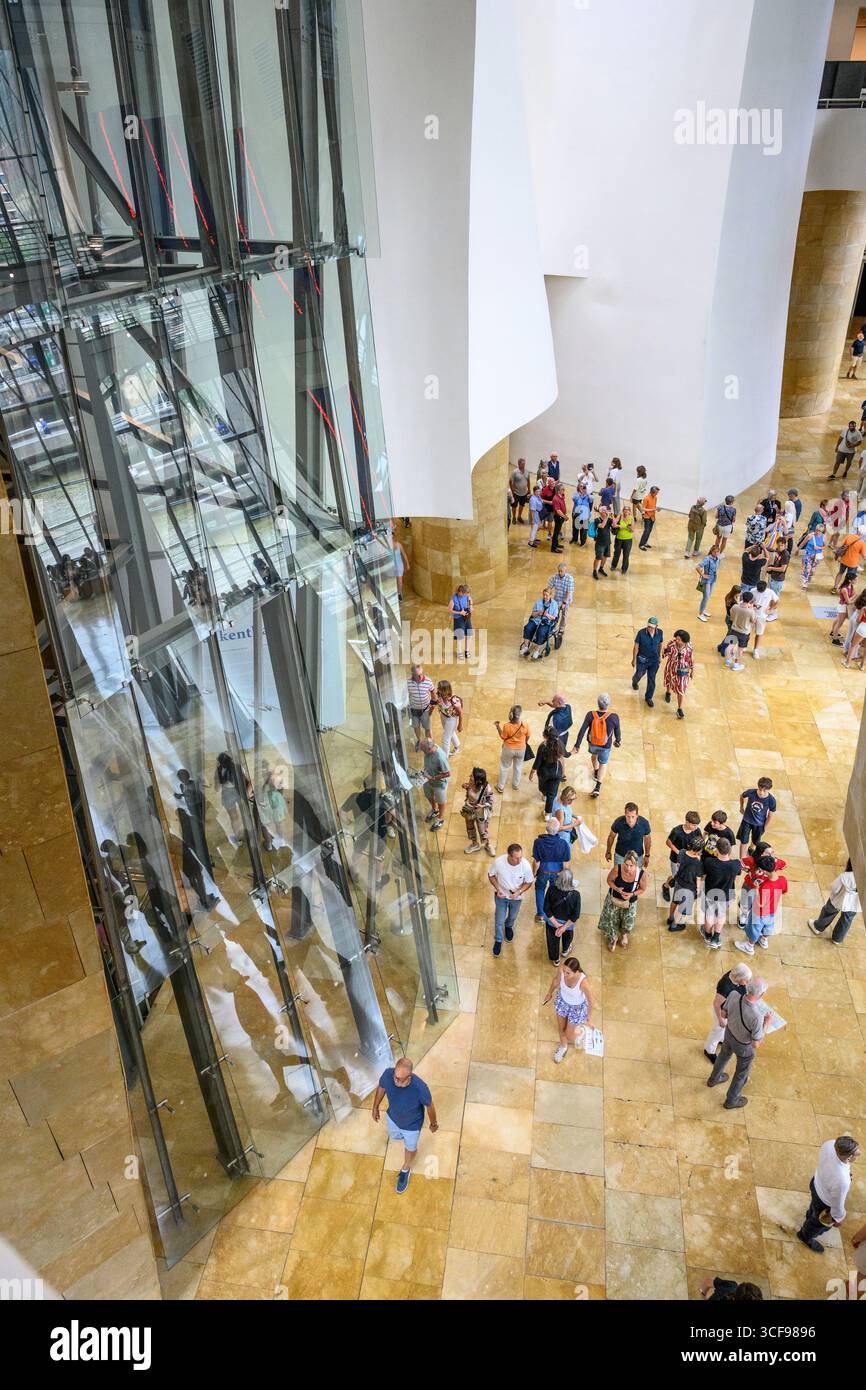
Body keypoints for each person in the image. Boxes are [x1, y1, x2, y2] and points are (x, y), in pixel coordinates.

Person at [706, 975, 772, 1109]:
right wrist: (767, 1024)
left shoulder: (733, 995)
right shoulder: (757, 1017)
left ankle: (713, 1079)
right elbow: (755, 1044)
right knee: (741, 1073)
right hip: (744, 1047)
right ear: (762, 994)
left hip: (729, 1035)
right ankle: (732, 1100)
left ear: (748, 986)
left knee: (723, 1056)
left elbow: (724, 1015)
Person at [372, 1058, 438, 1193]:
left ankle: (405, 1169)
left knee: (410, 1147)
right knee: (395, 1136)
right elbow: (381, 1087)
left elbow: (429, 1106)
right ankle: (406, 1141)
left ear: (410, 1076)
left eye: (401, 1079)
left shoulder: (420, 1088)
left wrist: (433, 1123)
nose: (396, 1081)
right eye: (395, 1077)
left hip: (412, 1125)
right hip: (393, 1118)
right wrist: (375, 1107)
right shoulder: (387, 1074)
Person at [797, 1135, 861, 1253]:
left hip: (816, 1183)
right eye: (856, 1153)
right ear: (849, 1157)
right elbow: (837, 1204)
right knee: (818, 1224)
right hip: (824, 1201)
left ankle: (810, 1216)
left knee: (813, 1209)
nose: (859, 1154)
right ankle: (804, 1236)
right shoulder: (842, 1181)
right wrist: (838, 1218)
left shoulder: (830, 1144)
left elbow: (831, 1166)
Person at [544, 956, 594, 1063]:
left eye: (568, 973)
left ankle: (581, 1032)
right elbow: (556, 981)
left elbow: (591, 1001)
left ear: (576, 972)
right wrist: (549, 993)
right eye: (564, 971)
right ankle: (563, 1047)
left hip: (577, 1008)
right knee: (561, 1028)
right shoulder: (562, 970)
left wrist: (589, 1017)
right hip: (563, 1002)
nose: (565, 975)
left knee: (569, 1036)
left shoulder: (583, 982)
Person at [734, 853, 787, 954]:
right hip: (772, 910)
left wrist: (758, 889)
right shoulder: (782, 880)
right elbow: (783, 891)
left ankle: (749, 946)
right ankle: (764, 940)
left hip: (759, 912)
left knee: (754, 928)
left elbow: (760, 903)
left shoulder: (765, 886)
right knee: (768, 926)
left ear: (765, 871)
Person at [488, 843, 534, 957]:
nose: (519, 860)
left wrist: (519, 892)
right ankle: (498, 940)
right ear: (509, 856)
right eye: (516, 858)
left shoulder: (525, 865)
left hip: (516, 898)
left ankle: (508, 927)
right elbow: (491, 875)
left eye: (521, 857)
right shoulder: (499, 862)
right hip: (501, 896)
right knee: (499, 919)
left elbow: (529, 881)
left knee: (513, 916)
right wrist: (498, 888)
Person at [598, 850, 647, 951]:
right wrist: (617, 889)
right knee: (611, 919)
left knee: (627, 921)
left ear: (636, 864)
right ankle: (613, 938)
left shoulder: (641, 874)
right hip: (614, 898)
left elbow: (642, 889)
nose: (628, 868)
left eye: (631, 865)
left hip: (630, 902)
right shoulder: (617, 869)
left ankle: (623, 934)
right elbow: (609, 880)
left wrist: (632, 894)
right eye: (626, 864)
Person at [574, 694, 621, 797]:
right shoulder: (614, 717)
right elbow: (617, 731)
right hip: (605, 746)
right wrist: (618, 741)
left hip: (593, 743)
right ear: (608, 704)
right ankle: (597, 787)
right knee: (603, 763)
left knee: (594, 756)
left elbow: (582, 730)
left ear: (598, 703)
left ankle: (596, 772)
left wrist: (577, 745)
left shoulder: (590, 715)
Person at [704, 962, 752, 1060]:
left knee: (723, 1030)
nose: (747, 982)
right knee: (717, 1030)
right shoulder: (725, 987)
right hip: (722, 1013)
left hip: (730, 1011)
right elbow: (716, 1004)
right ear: (738, 977)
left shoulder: (736, 977)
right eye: (746, 980)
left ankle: (721, 1039)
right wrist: (720, 1020)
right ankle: (709, 1050)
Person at [701, 838, 741, 950]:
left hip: (711, 894)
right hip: (727, 896)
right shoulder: (736, 864)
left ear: (716, 849)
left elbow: (703, 874)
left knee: (709, 915)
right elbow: (738, 873)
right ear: (729, 850)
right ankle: (716, 938)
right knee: (721, 915)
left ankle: (707, 935)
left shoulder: (709, 862)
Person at [808, 860, 861, 944]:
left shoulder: (846, 876)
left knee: (828, 912)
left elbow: (834, 888)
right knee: (847, 920)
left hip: (838, 900)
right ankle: (837, 939)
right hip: (854, 905)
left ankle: (817, 927)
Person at [532, 818, 572, 920]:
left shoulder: (538, 842)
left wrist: (534, 873)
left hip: (543, 872)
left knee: (540, 890)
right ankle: (552, 914)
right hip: (558, 873)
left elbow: (536, 862)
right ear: (558, 829)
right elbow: (566, 864)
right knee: (555, 892)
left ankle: (540, 915)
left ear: (546, 828)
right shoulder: (563, 844)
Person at [666, 831, 704, 933]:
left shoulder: (682, 852)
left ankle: (670, 918)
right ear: (699, 850)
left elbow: (678, 864)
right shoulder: (697, 863)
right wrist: (699, 890)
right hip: (689, 888)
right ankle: (674, 925)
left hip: (679, 881)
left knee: (674, 901)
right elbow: (698, 878)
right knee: (682, 908)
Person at [541, 868, 581, 963]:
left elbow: (546, 908)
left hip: (552, 922)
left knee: (552, 941)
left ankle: (556, 959)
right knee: (567, 938)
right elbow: (575, 915)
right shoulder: (576, 895)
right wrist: (563, 928)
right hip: (568, 924)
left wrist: (556, 924)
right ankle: (565, 951)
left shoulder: (551, 889)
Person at [662, 810, 703, 901]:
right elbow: (668, 842)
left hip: (689, 859)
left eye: (697, 825)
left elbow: (699, 843)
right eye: (694, 825)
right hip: (676, 859)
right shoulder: (677, 831)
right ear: (687, 822)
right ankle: (666, 886)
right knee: (675, 876)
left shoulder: (696, 831)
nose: (696, 827)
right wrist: (679, 853)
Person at [529, 727, 568, 814]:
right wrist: (572, 752)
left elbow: (537, 761)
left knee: (542, 788)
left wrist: (532, 772)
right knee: (552, 794)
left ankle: (544, 794)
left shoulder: (543, 746)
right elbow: (566, 755)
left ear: (545, 736)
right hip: (557, 773)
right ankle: (547, 814)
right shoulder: (560, 743)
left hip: (544, 773)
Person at [494, 705, 530, 793]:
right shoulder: (525, 725)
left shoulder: (507, 726)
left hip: (508, 749)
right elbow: (528, 736)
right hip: (521, 749)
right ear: (520, 714)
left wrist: (498, 726)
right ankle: (515, 785)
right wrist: (524, 743)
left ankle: (501, 787)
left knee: (504, 766)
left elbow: (503, 736)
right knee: (518, 767)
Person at [460, 766, 495, 856]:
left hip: (481, 813)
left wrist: (483, 805)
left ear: (478, 780)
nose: (469, 777)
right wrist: (466, 787)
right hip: (469, 810)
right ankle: (475, 844)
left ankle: (487, 844)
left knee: (483, 830)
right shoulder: (470, 784)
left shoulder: (486, 788)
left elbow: (491, 801)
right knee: (470, 828)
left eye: (472, 776)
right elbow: (468, 791)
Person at [606, 802, 652, 868]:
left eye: (633, 817)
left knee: (636, 876)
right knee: (618, 874)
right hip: (620, 855)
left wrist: (647, 855)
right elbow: (611, 837)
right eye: (628, 817)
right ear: (625, 815)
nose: (630, 820)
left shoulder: (644, 823)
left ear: (637, 815)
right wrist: (608, 851)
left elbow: (647, 839)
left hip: (637, 856)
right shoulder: (618, 822)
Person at [718, 589, 755, 670]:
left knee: (730, 646)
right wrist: (751, 609)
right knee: (740, 649)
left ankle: (728, 661)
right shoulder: (751, 611)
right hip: (744, 632)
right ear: (750, 600)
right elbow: (753, 621)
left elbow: (731, 617)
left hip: (733, 629)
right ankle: (736, 665)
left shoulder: (735, 606)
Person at [419, 735, 450, 831]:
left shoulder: (440, 757)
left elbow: (447, 773)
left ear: (429, 749)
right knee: (428, 794)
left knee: (441, 801)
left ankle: (440, 818)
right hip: (428, 779)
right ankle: (434, 810)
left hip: (439, 783)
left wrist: (433, 777)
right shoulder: (428, 750)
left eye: (423, 750)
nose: (422, 751)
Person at [662, 629, 694, 719]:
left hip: (683, 671)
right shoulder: (672, 644)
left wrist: (692, 671)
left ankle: (680, 708)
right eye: (676, 638)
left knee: (681, 688)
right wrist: (663, 651)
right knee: (668, 680)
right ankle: (668, 692)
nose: (677, 641)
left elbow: (691, 659)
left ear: (684, 640)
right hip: (671, 668)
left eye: (679, 639)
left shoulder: (689, 647)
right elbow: (665, 654)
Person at [631, 617, 664, 706]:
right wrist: (634, 659)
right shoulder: (641, 633)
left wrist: (660, 655)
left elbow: (660, 644)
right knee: (639, 674)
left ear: (656, 626)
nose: (650, 628)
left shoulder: (660, 633)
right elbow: (636, 646)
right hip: (642, 659)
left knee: (652, 679)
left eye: (652, 627)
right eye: (649, 626)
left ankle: (648, 697)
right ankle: (634, 681)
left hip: (654, 660)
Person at [520, 586, 559, 659]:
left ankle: (537, 651)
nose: (544, 597)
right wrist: (539, 613)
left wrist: (546, 614)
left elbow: (555, 618)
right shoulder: (538, 602)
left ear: (550, 595)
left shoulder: (554, 604)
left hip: (547, 622)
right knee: (527, 627)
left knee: (541, 632)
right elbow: (533, 614)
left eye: (546, 595)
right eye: (543, 595)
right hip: (536, 620)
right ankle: (525, 647)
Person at [737, 778, 776, 850]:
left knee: (755, 841)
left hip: (759, 824)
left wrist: (765, 827)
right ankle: (742, 858)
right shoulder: (751, 792)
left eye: (764, 790)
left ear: (769, 789)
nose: (761, 792)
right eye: (760, 789)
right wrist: (741, 807)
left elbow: (770, 816)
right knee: (744, 841)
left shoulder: (771, 800)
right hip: (747, 820)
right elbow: (742, 796)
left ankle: (751, 848)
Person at [407, 664, 435, 750]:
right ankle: (420, 741)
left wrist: (432, 705)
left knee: (427, 728)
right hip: (413, 710)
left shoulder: (428, 681)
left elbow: (433, 693)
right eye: (417, 675)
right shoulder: (408, 682)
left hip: (425, 710)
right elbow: (404, 695)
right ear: (412, 674)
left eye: (421, 674)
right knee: (416, 726)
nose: (420, 677)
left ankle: (430, 744)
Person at [432, 678, 462, 755]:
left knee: (445, 739)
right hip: (443, 716)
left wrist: (460, 725)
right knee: (450, 733)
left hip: (451, 720)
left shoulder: (454, 701)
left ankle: (445, 757)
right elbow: (437, 702)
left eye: (440, 688)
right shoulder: (439, 694)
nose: (437, 689)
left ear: (445, 690)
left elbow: (460, 712)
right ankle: (457, 747)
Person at [831, 530, 866, 594]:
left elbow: (841, 545)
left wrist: (839, 556)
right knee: (849, 578)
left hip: (844, 560)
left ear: (857, 531)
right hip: (853, 563)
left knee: (840, 573)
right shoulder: (862, 543)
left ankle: (834, 588)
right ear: (863, 534)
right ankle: (843, 590)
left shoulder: (849, 536)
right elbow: (864, 555)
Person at [750, 580, 778, 660]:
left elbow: (777, 601)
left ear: (765, 588)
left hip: (762, 616)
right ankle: (744, 645)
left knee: (759, 633)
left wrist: (770, 609)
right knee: (747, 631)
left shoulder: (770, 592)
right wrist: (753, 605)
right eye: (758, 589)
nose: (760, 591)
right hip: (752, 614)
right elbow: (749, 601)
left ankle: (755, 650)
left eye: (761, 590)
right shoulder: (752, 591)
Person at [547, 566, 574, 639]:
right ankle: (553, 627)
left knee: (564, 615)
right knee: (555, 614)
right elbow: (549, 587)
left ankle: (561, 630)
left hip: (566, 600)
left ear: (565, 571)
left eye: (561, 571)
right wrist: (547, 595)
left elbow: (569, 592)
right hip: (557, 599)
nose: (559, 572)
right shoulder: (554, 577)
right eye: (559, 571)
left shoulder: (570, 579)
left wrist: (564, 603)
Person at [696, 544, 721, 621]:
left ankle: (703, 610)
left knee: (708, 596)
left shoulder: (718, 559)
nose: (716, 553)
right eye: (715, 552)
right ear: (712, 551)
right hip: (707, 581)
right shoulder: (707, 559)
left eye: (717, 552)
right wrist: (703, 575)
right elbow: (697, 567)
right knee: (706, 597)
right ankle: (700, 614)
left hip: (713, 580)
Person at [449, 585, 474, 661]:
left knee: (469, 634)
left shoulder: (467, 595)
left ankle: (467, 650)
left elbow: (470, 599)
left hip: (466, 617)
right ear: (461, 592)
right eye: (465, 594)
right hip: (458, 619)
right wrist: (460, 612)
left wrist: (471, 606)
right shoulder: (453, 599)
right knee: (460, 637)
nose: (467, 595)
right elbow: (449, 610)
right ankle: (459, 652)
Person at [830, 574, 856, 644]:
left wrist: (850, 599)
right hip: (843, 607)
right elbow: (848, 601)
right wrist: (853, 600)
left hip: (844, 606)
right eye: (855, 579)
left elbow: (854, 594)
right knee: (839, 624)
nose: (856, 581)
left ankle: (833, 632)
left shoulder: (851, 586)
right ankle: (834, 640)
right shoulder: (844, 589)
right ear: (850, 580)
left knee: (838, 619)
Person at [591, 504, 615, 579]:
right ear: (600, 512)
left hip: (607, 542)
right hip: (599, 542)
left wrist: (613, 516)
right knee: (598, 558)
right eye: (604, 510)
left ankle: (601, 568)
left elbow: (614, 525)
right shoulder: (597, 520)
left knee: (605, 556)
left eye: (606, 510)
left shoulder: (609, 519)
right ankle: (595, 571)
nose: (605, 511)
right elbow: (602, 526)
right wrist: (607, 517)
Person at [765, 535, 790, 604]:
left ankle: (773, 609)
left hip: (778, 579)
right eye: (778, 545)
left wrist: (771, 568)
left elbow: (783, 569)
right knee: (770, 594)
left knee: (775, 596)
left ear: (785, 545)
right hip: (773, 576)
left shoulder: (785, 555)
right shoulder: (777, 550)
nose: (780, 547)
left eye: (782, 545)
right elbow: (773, 550)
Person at [610, 504, 635, 574]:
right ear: (623, 511)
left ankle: (624, 569)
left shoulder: (631, 518)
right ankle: (613, 566)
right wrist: (625, 526)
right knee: (616, 553)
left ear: (630, 512)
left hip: (628, 540)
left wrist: (623, 526)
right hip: (619, 538)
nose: (626, 511)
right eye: (625, 510)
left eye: (628, 510)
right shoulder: (620, 516)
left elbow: (632, 530)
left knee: (626, 555)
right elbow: (614, 525)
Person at [390, 527, 409, 601]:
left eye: (392, 537)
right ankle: (395, 594)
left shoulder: (399, 545)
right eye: (390, 537)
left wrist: (407, 563)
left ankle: (399, 593)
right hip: (392, 566)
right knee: (394, 580)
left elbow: (404, 554)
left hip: (400, 565)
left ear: (394, 537)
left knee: (400, 580)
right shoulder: (388, 546)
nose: (392, 538)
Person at [571, 482, 592, 546]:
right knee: (575, 527)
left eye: (583, 486)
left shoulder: (587, 494)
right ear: (578, 487)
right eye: (580, 486)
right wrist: (580, 493)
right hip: (577, 513)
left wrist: (586, 494)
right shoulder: (576, 494)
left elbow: (591, 500)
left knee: (584, 529)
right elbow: (574, 499)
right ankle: (574, 539)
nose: (582, 487)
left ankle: (583, 542)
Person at [550, 482, 568, 553]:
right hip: (558, 517)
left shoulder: (562, 495)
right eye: (562, 489)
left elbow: (563, 505)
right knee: (556, 533)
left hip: (561, 517)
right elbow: (558, 511)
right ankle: (553, 548)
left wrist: (565, 514)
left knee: (558, 531)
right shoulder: (555, 499)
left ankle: (556, 544)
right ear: (558, 491)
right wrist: (565, 516)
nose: (564, 490)